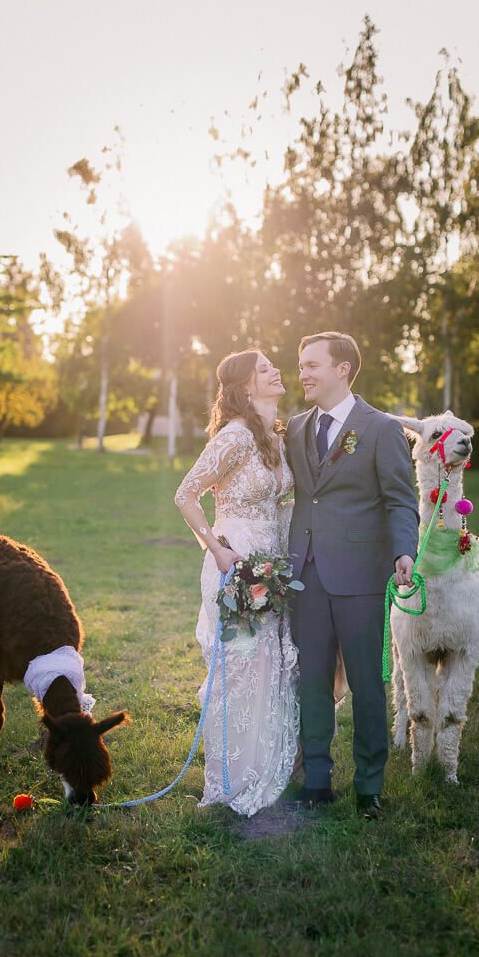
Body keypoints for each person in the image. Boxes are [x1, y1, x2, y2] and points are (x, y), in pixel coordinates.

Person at [286, 332, 419, 819]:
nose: (303, 374)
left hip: (362, 575)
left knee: (366, 682)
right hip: (306, 573)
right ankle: (317, 780)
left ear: (343, 369)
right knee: (312, 679)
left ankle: (369, 786)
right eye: (301, 365)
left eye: (312, 365)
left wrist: (405, 551)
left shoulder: (382, 429)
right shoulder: (296, 428)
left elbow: (401, 500)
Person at [174, 349, 299, 816]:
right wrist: (217, 548)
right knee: (240, 671)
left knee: (270, 669)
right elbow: (186, 494)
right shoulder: (236, 436)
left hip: (274, 564)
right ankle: (228, 781)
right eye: (265, 368)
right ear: (247, 386)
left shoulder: (275, 435)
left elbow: (283, 503)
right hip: (236, 564)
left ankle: (265, 766)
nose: (276, 370)